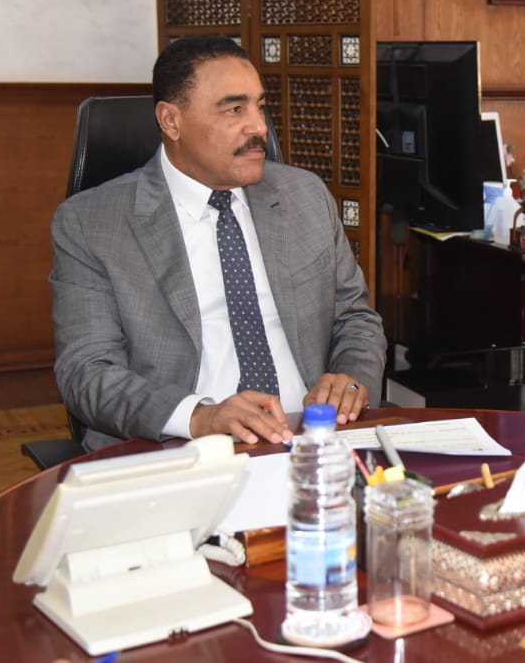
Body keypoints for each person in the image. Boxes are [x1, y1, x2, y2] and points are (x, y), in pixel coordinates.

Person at [51, 35, 385, 451]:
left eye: (260, 106)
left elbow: (355, 319)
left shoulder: (305, 196)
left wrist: (351, 379)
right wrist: (199, 416)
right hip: (179, 448)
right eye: (234, 109)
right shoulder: (93, 223)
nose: (259, 127)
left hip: (313, 438)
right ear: (171, 121)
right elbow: (87, 371)